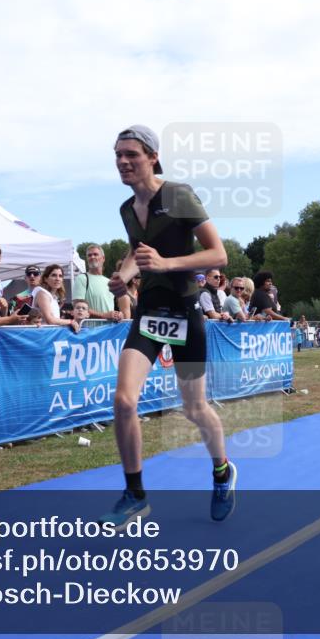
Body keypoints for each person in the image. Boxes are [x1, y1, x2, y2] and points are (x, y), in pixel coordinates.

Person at [102, 124, 234, 530]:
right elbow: (135, 251)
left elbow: (219, 254)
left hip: (184, 310)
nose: (123, 162)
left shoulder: (177, 195)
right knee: (124, 401)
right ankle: (135, 494)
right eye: (118, 155)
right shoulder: (127, 209)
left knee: (194, 407)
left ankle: (222, 470)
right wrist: (124, 275)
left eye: (132, 155)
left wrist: (166, 264)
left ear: (153, 157)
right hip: (148, 313)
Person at [74, 244, 122, 322]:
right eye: (89, 255)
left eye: (95, 254)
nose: (92, 257)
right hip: (91, 330)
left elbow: (113, 308)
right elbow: (77, 306)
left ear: (103, 258)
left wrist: (119, 314)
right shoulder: (82, 278)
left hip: (110, 329)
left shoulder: (108, 282)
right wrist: (104, 315)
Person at [32, 264, 80, 332]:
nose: (57, 279)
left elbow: (54, 319)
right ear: (46, 279)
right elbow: (50, 320)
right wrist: (71, 321)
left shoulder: (53, 297)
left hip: (52, 335)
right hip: (42, 336)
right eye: (54, 275)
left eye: (60, 276)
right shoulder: (42, 293)